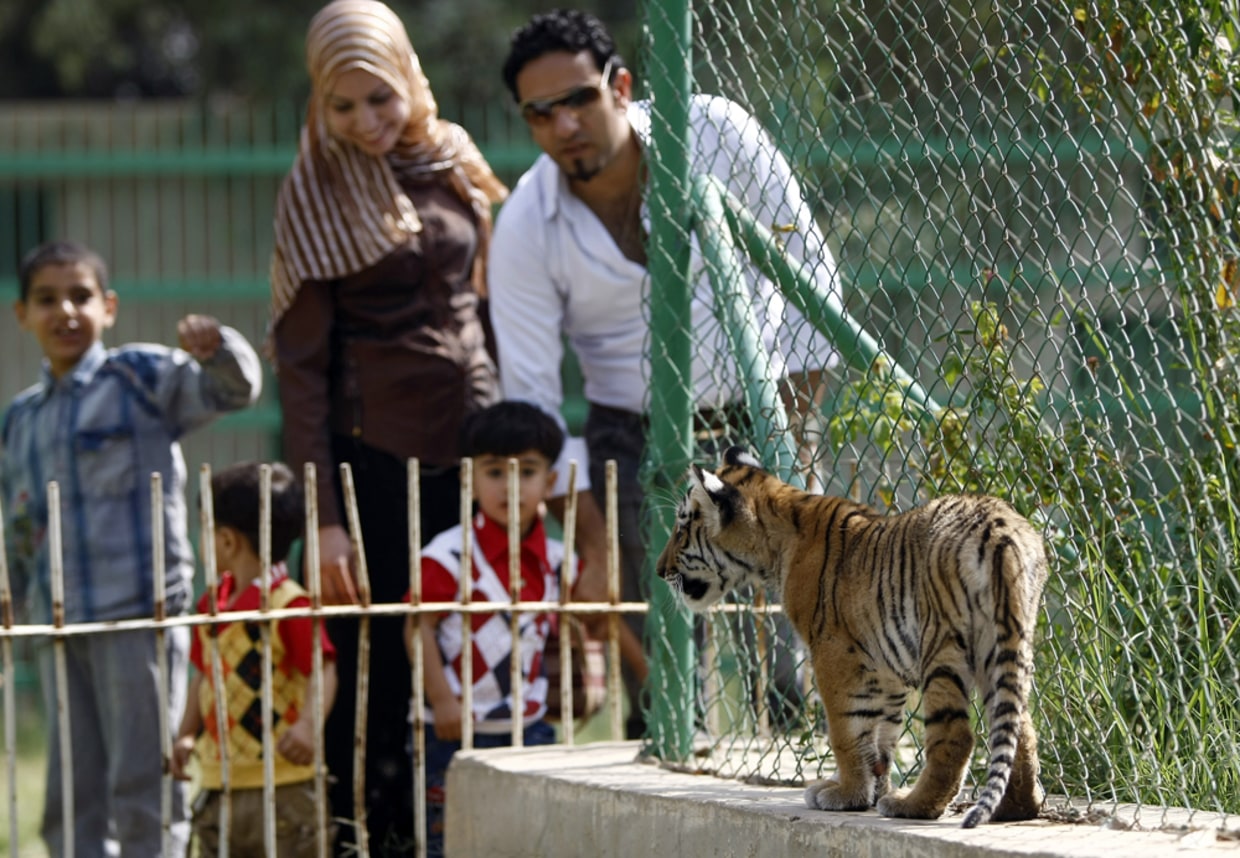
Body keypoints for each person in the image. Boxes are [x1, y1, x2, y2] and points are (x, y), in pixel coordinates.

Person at [491, 10, 840, 739]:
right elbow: (533, 405)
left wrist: (791, 438)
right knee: (659, 686)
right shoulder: (526, 222)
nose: (564, 125)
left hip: (758, 411)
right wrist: (590, 545)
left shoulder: (716, 132)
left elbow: (810, 275)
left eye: (579, 99)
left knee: (791, 652)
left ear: (620, 87)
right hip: (631, 437)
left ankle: (807, 779)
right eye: (541, 113)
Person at [266, 0, 511, 851]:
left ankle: (473, 831)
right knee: (373, 664)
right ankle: (366, 837)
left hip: (475, 451)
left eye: (381, 97)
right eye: (343, 104)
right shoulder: (312, 192)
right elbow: (300, 377)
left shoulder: (451, 161)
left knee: (473, 640)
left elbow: (487, 302)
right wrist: (326, 522)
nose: (367, 121)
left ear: (411, 79)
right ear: (319, 105)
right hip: (372, 464)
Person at [1, 239, 263, 857]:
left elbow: (235, 390)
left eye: (81, 296)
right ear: (22, 315)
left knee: (145, 785)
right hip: (60, 626)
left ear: (109, 307)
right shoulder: (21, 419)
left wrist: (217, 347)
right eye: (47, 299)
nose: (65, 311)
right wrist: (14, 596)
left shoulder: (141, 378)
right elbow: (19, 523)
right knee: (71, 791)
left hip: (139, 617)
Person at [403, 400, 582, 857]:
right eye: (495, 471)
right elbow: (416, 629)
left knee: (532, 837)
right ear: (469, 478)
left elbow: (595, 619)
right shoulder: (447, 556)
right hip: (452, 732)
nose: (511, 486)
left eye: (527, 472)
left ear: (551, 482)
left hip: (532, 726)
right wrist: (442, 700)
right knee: (453, 841)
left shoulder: (559, 561)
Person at [171, 461, 338, 857]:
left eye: (206, 529)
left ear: (228, 541)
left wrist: (308, 726)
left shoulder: (288, 604)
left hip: (284, 782)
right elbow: (204, 676)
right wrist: (186, 733)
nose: (203, 539)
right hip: (220, 781)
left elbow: (324, 667)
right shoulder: (211, 605)